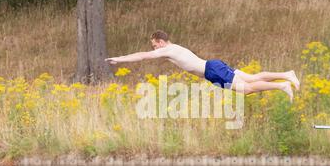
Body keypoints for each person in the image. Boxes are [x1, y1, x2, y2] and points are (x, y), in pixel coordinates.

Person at [104, 30, 300, 101]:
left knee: (248, 88)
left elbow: (142, 56)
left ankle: (282, 85)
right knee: (252, 79)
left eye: (155, 44)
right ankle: (287, 74)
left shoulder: (168, 49)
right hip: (212, 69)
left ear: (161, 41)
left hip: (212, 70)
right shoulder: (172, 50)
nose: (154, 49)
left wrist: (120, 59)